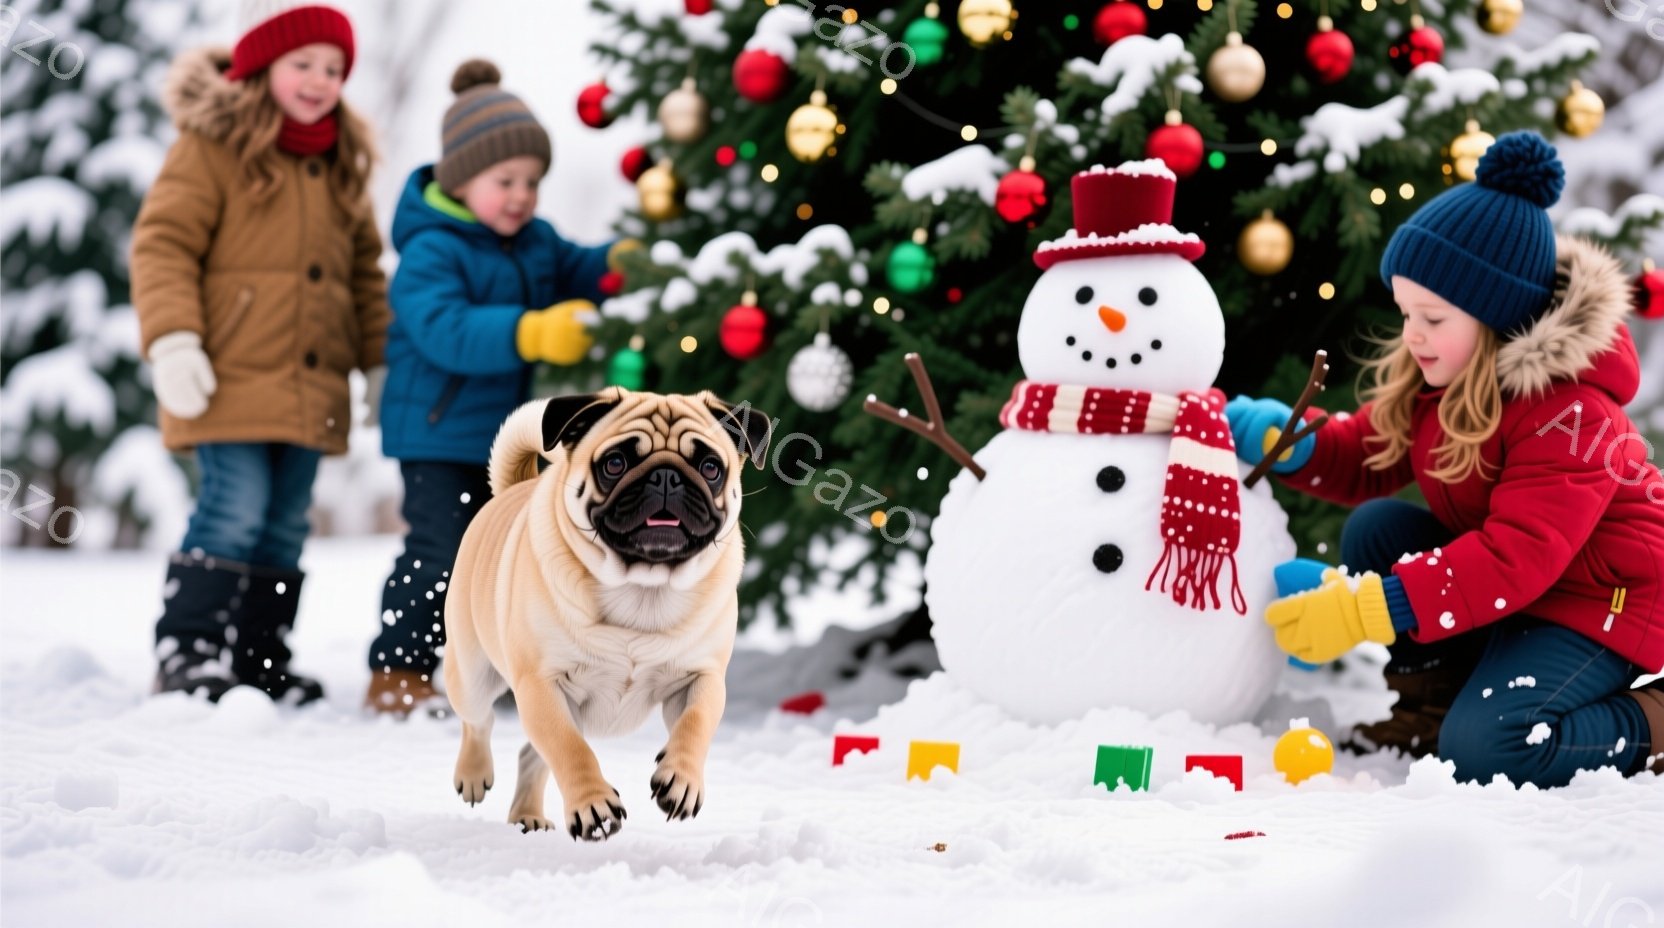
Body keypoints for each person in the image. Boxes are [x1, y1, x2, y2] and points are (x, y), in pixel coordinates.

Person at [1228, 131, 1663, 787]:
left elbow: (1515, 556)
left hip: (1608, 602)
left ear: (1496, 317)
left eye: (1431, 316)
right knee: (1381, 528)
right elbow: (1363, 455)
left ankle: (1651, 722)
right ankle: (1431, 708)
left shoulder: (1574, 415)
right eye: (1405, 312)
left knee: (1494, 750)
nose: (1412, 334)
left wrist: (1364, 609)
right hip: (1527, 591)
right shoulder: (1443, 385)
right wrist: (1285, 439)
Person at [133, 0, 389, 703]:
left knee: (283, 521)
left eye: (333, 68)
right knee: (234, 507)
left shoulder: (341, 162)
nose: (318, 80)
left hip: (313, 384)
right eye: (302, 64)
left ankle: (258, 658)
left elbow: (365, 272)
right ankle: (186, 652)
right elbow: (163, 245)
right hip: (229, 377)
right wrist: (174, 339)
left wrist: (376, 361)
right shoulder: (212, 145)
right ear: (261, 68)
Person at [366, 59, 632, 715]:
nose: (521, 195)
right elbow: (445, 330)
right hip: (437, 434)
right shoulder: (432, 250)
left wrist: (624, 260)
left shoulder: (535, 242)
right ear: (462, 179)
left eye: (533, 182)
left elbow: (579, 267)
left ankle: (504, 668)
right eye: (505, 180)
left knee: (513, 555)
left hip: (506, 441)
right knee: (444, 550)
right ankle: (400, 668)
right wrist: (532, 332)